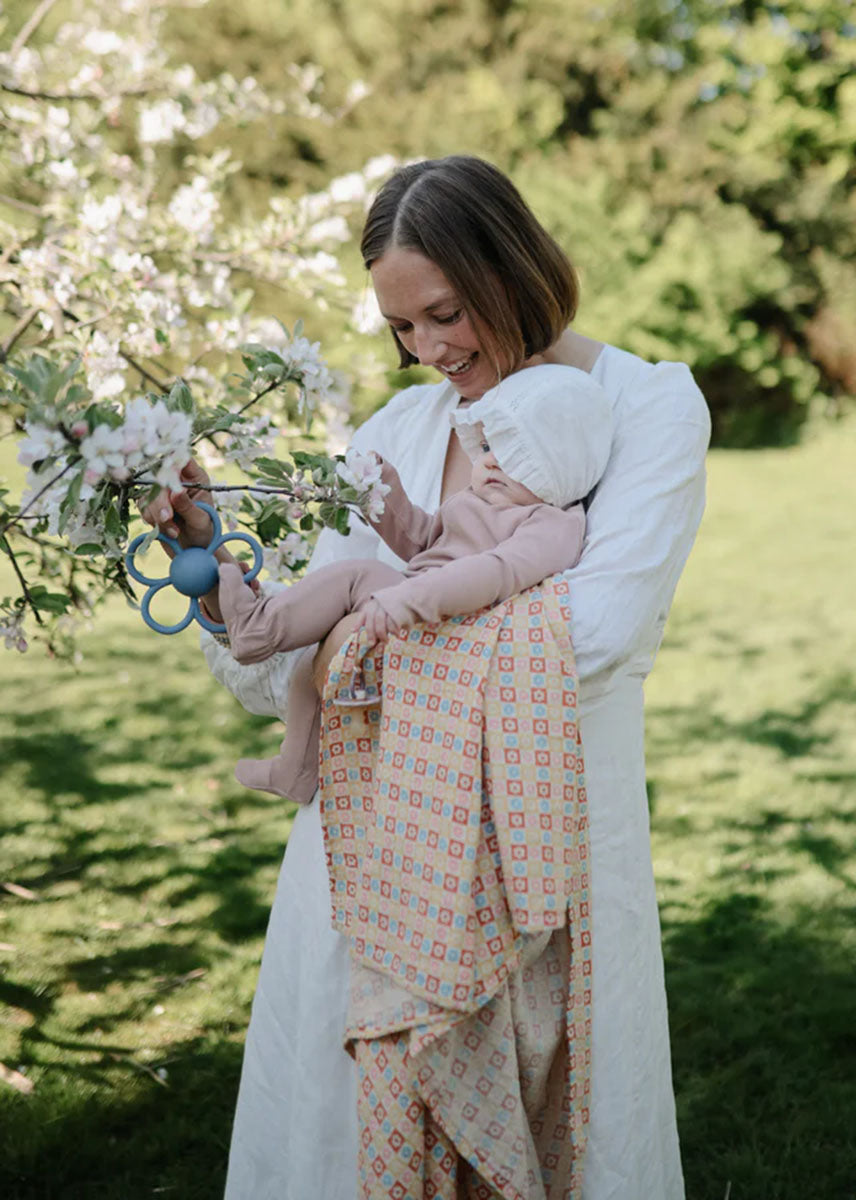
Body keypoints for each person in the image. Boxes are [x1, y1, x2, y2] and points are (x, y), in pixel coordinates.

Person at [142, 155, 710, 1198]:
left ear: (512, 269)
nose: (429, 351)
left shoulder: (645, 406)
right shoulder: (398, 432)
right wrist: (216, 572)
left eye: (446, 314)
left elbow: (594, 634)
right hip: (365, 857)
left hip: (549, 854)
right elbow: (282, 676)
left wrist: (359, 629)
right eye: (402, 327)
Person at [215, 362, 613, 806]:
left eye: (513, 451)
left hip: (443, 624)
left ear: (560, 464)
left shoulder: (550, 522)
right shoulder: (479, 499)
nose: (490, 460)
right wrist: (385, 495)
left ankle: (258, 628)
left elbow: (496, 572)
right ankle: (295, 769)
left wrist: (406, 600)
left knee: (358, 575)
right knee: (310, 666)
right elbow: (422, 542)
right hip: (411, 601)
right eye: (485, 446)